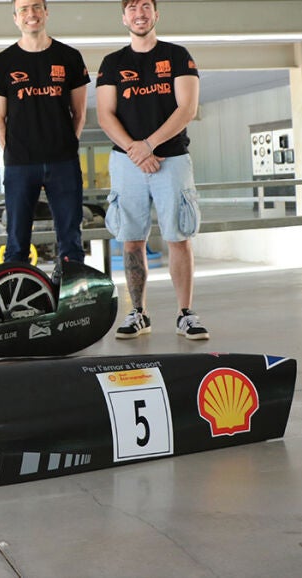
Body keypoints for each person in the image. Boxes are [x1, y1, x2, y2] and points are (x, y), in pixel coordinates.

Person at [96, 0, 208, 340]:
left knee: (178, 237)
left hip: (171, 159)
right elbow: (105, 115)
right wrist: (136, 150)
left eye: (145, 6)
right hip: (127, 162)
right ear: (124, 17)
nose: (139, 13)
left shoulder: (177, 56)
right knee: (131, 240)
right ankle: (138, 313)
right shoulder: (112, 63)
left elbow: (187, 109)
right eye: (132, 8)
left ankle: (185, 314)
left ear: (156, 14)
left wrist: (149, 145)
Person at [0, 0, 88, 271]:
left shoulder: (70, 57)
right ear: (15, 18)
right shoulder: (1, 63)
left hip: (63, 162)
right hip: (20, 165)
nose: (31, 14)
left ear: (46, 12)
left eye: (36, 7)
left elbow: (79, 114)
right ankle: (17, 295)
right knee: (16, 243)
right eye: (23, 9)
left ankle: (71, 293)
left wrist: (66, 145)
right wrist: (15, 152)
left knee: (71, 241)